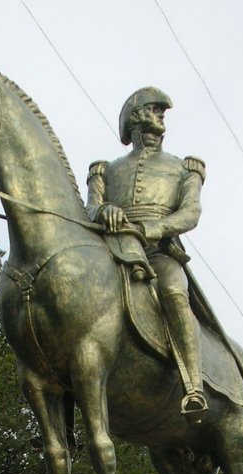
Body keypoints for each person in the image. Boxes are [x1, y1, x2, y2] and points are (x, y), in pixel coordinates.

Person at [86, 87, 208, 417]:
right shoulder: (106, 170)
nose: (161, 116)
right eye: (155, 110)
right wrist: (105, 211)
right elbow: (91, 208)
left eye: (161, 112)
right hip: (113, 250)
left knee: (172, 290)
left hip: (158, 251)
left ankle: (193, 385)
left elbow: (190, 214)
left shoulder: (185, 169)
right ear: (136, 117)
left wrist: (149, 229)